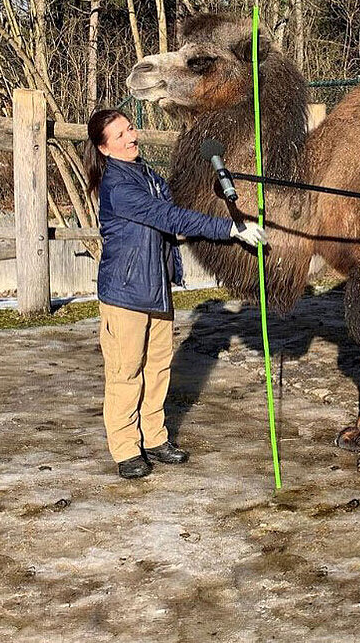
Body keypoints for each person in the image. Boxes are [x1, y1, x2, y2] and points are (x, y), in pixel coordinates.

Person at [84, 109, 267, 479]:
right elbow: (170, 218)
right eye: (119, 135)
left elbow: (180, 204)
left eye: (130, 128)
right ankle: (125, 448)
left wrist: (218, 181)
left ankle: (154, 438)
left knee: (157, 368)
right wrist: (230, 229)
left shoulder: (146, 173)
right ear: (104, 149)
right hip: (124, 293)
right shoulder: (117, 186)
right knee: (125, 373)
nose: (131, 137)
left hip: (156, 290)